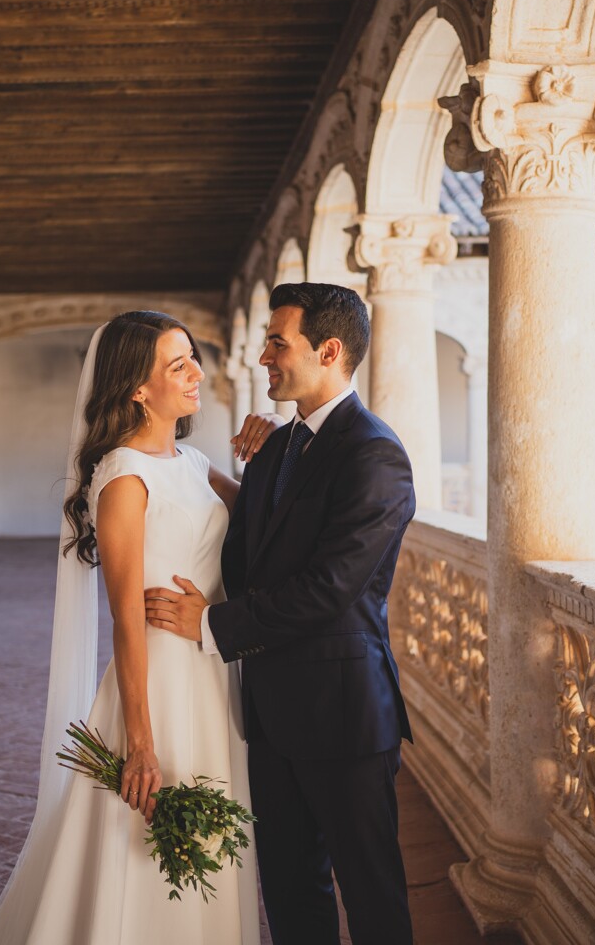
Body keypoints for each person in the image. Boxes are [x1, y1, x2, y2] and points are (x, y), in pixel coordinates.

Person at [0, 310, 278, 945]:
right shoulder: (123, 477)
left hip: (212, 668)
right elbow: (124, 621)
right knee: (141, 841)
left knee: (212, 837)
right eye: (179, 365)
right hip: (159, 683)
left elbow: (266, 518)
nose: (197, 372)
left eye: (193, 357)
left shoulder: (193, 464)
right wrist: (139, 740)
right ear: (137, 388)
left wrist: (274, 438)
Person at [145, 283, 416, 945]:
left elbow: (330, 587)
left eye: (277, 342)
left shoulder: (375, 454)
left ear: (328, 351)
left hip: (343, 713)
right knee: (292, 892)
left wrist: (209, 625)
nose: (263, 357)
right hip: (269, 713)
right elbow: (257, 546)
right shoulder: (276, 445)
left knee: (372, 895)